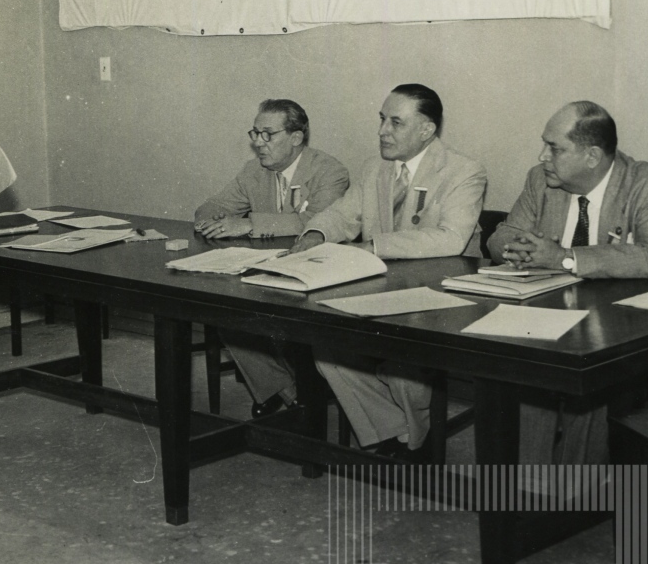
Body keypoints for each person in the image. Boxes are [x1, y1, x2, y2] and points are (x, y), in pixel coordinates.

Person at [295, 84, 486, 458]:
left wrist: (374, 246)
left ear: (426, 130)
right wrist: (315, 234)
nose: (382, 131)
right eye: (382, 119)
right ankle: (395, 430)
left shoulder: (464, 171)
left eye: (396, 122)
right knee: (327, 347)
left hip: (442, 297)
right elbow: (342, 215)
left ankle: (414, 443)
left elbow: (451, 239)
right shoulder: (374, 168)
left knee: (402, 362)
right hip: (383, 291)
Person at [487, 100, 648, 464]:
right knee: (526, 369)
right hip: (554, 312)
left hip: (634, 322)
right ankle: (530, 486)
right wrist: (518, 248)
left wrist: (563, 257)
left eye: (555, 148)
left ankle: (574, 488)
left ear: (592, 156)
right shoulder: (540, 180)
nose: (543, 156)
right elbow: (501, 236)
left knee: (592, 385)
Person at [195, 99, 349, 416]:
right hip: (264, 271)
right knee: (224, 307)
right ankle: (286, 392)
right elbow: (209, 208)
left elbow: (316, 222)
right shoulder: (253, 171)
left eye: (268, 134)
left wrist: (250, 223)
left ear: (296, 137)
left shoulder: (330, 171)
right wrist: (217, 220)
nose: (258, 142)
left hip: (313, 274)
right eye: (255, 133)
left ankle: (286, 393)